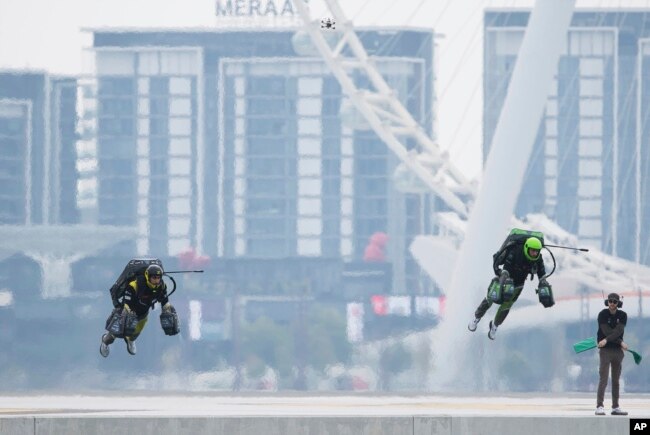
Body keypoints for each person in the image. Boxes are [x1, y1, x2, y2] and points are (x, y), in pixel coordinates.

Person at [468, 234, 552, 340]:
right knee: (490, 298)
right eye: (532, 250)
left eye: (537, 251)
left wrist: (543, 282)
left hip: (518, 284)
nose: (534, 253)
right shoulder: (515, 251)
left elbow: (541, 272)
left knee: (506, 306)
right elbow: (506, 267)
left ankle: (494, 326)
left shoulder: (538, 258)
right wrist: (503, 280)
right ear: (526, 247)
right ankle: (476, 318)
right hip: (503, 279)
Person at [100, 263, 175, 357]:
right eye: (154, 278)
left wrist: (167, 309)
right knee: (114, 334)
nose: (156, 281)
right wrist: (127, 315)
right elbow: (126, 303)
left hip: (143, 314)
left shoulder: (161, 286)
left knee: (135, 334)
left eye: (158, 278)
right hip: (125, 312)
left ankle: (130, 341)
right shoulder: (135, 285)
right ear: (148, 276)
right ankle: (105, 342)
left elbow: (164, 301)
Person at [595, 292, 628, 416]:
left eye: (615, 301)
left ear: (618, 303)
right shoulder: (602, 314)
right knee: (603, 379)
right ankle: (599, 406)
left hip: (617, 351)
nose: (612, 304)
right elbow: (606, 331)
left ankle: (615, 406)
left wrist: (615, 341)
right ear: (607, 302)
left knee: (616, 381)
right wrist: (621, 342)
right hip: (605, 350)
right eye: (610, 301)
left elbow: (618, 331)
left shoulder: (623, 315)